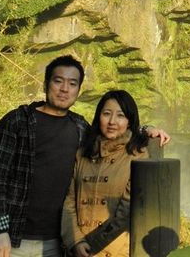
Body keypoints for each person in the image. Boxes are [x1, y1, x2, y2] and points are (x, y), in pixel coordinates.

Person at [0, 55, 170, 257]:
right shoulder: (17, 122)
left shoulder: (79, 127)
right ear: (46, 84)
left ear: (78, 90)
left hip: (56, 241)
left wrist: (146, 130)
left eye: (72, 83)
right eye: (58, 81)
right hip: (14, 239)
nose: (64, 89)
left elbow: (113, 131)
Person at [61, 90, 151, 257]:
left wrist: (91, 246)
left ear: (129, 121)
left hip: (114, 250)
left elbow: (127, 211)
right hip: (77, 248)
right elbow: (68, 201)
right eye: (106, 114)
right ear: (98, 117)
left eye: (120, 115)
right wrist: (76, 242)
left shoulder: (138, 155)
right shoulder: (82, 154)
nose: (112, 122)